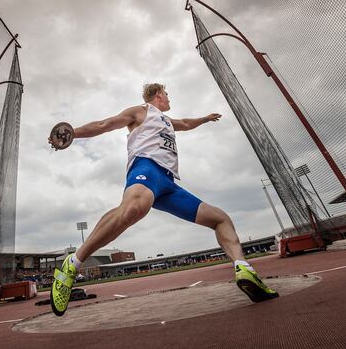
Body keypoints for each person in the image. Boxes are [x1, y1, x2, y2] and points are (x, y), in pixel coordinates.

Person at [48, 84, 278, 316]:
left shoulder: (166, 121)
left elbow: (186, 123)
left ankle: (244, 269)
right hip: (146, 168)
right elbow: (104, 125)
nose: (169, 97)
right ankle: (72, 264)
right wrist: (71, 133)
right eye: (166, 94)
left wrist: (205, 119)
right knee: (134, 209)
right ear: (158, 95)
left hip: (167, 184)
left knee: (220, 219)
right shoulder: (141, 111)